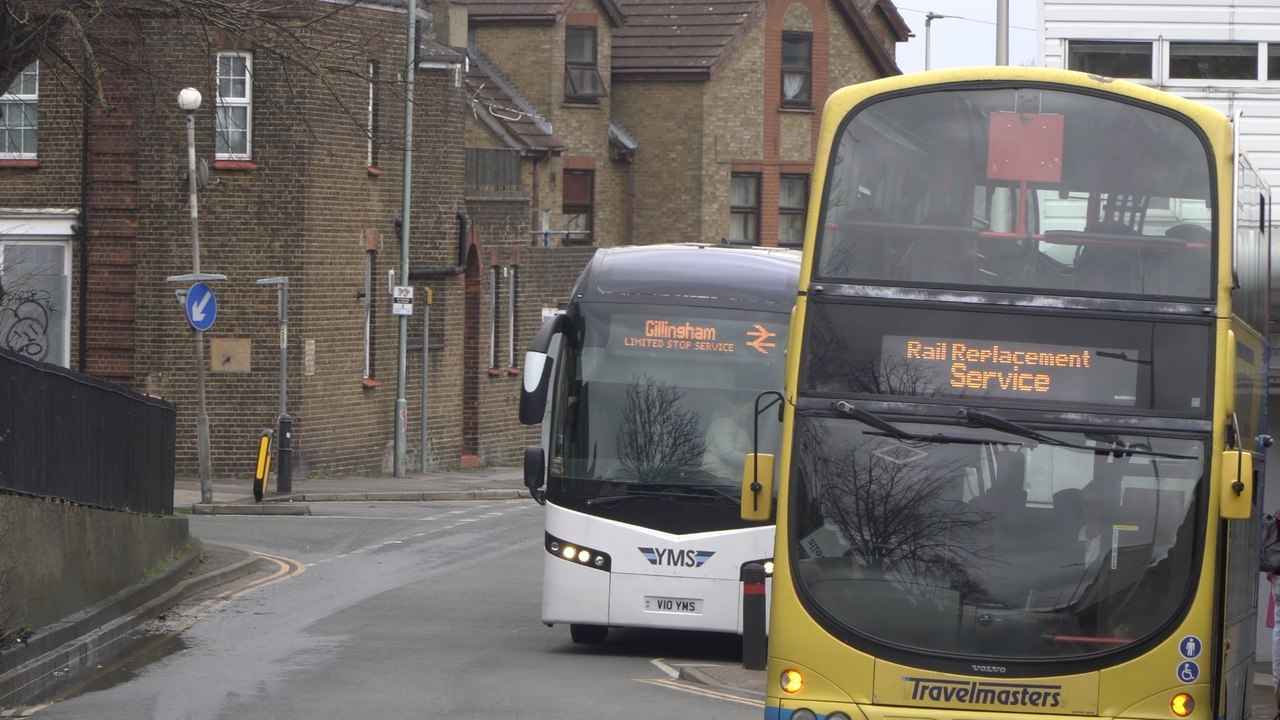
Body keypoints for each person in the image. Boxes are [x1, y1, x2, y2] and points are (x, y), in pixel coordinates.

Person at [702, 397, 754, 480]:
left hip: (727, 476)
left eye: (752, 410)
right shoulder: (725, 423)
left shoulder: (738, 424)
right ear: (737, 406)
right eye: (747, 408)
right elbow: (727, 453)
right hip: (719, 476)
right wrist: (753, 461)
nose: (750, 412)